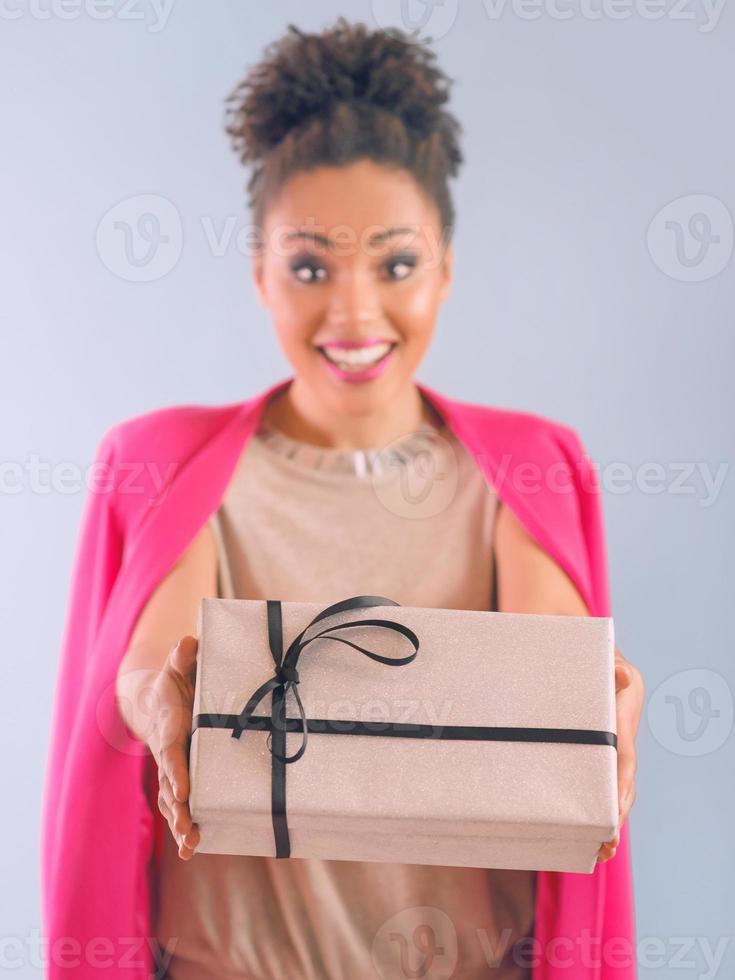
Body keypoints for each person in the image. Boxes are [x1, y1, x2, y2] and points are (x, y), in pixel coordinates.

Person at [41, 17, 643, 980]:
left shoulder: (528, 467)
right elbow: (151, 662)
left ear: (445, 267)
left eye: (395, 264)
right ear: (260, 274)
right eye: (311, 266)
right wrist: (153, 700)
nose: (355, 313)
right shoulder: (162, 461)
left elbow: (555, 672)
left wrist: (598, 701)